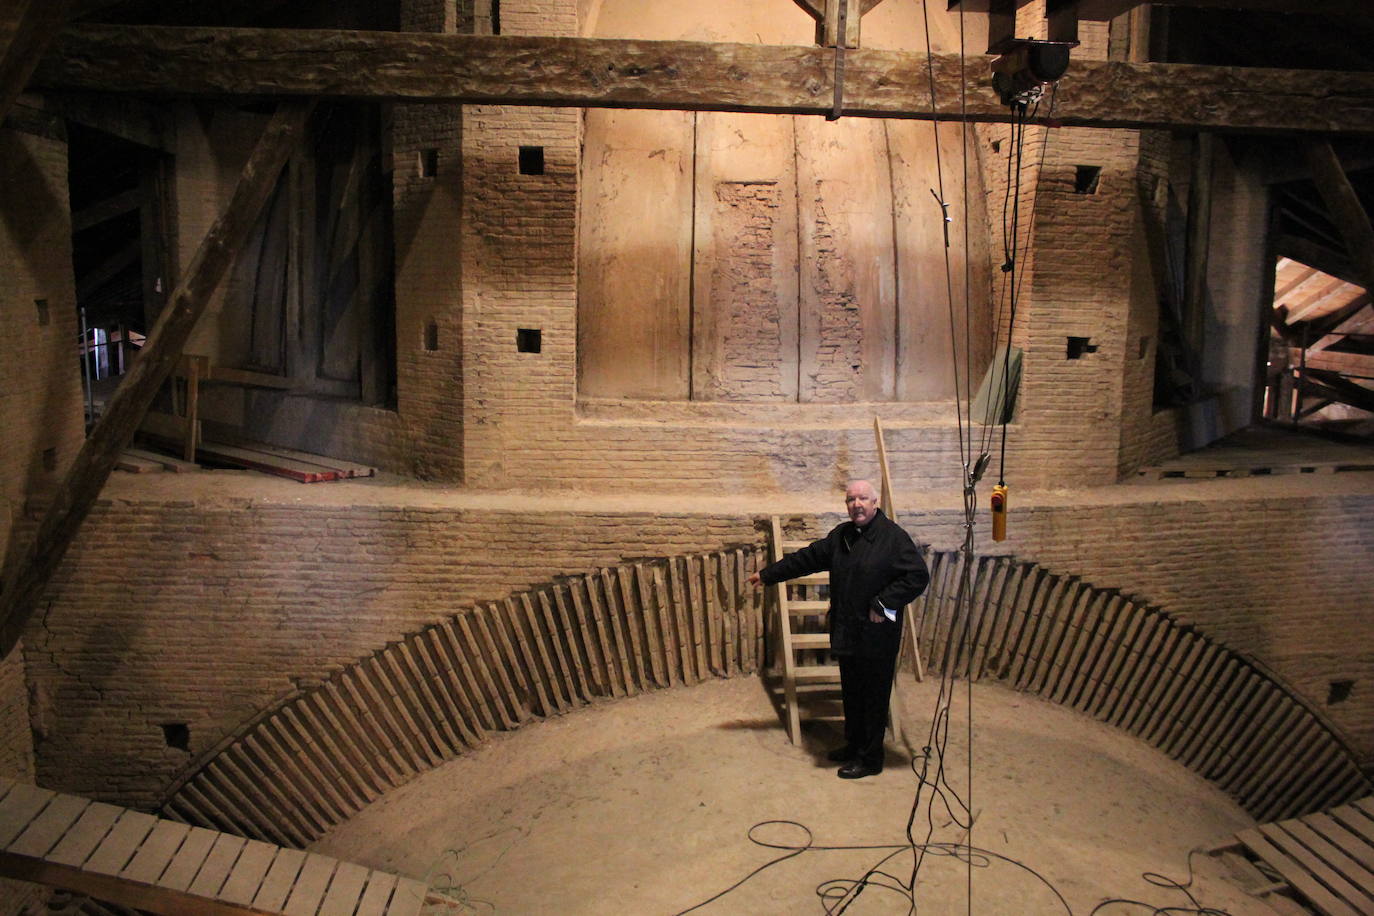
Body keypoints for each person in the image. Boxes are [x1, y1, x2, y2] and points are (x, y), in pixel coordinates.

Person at [748, 480, 929, 779]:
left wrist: (883, 604)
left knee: (873, 696)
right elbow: (807, 558)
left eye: (862, 499)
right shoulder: (842, 536)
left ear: (875, 503)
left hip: (876, 635)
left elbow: (917, 576)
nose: (856, 504)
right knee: (853, 692)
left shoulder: (893, 538)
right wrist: (768, 574)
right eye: (850, 499)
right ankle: (854, 745)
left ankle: (870, 759)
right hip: (847, 629)